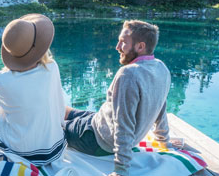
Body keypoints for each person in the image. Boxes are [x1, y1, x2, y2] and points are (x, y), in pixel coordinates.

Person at [63, 20, 175, 176]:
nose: (117, 47)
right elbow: (160, 107)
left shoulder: (129, 74)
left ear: (140, 46)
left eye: (123, 42)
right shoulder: (161, 68)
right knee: (66, 111)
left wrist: (121, 170)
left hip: (97, 141)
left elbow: (124, 125)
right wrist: (164, 142)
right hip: (100, 121)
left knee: (53, 126)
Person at [0, 13, 66, 166]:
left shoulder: (1, 80)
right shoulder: (51, 68)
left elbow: (4, 106)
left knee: (2, 114)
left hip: (20, 152)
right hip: (53, 149)